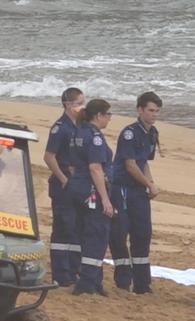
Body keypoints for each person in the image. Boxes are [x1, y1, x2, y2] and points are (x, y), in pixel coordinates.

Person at [109, 91, 161, 294]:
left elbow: (144, 162)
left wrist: (150, 183)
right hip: (122, 188)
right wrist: (148, 183)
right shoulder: (130, 133)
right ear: (140, 110)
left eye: (156, 111)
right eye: (150, 110)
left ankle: (142, 283)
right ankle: (123, 280)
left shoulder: (152, 133)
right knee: (120, 233)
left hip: (139, 190)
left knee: (143, 234)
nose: (154, 115)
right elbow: (130, 165)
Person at [66, 99, 114, 296]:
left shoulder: (78, 133)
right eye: (108, 115)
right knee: (96, 236)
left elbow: (71, 164)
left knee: (81, 234)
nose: (110, 119)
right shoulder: (94, 137)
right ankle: (87, 283)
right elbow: (95, 168)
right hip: (91, 191)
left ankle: (92, 280)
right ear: (99, 115)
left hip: (77, 188)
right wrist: (105, 199)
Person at [43, 87, 85, 286]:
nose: (81, 107)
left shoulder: (80, 125)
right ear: (68, 104)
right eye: (78, 103)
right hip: (63, 186)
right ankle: (61, 274)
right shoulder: (60, 127)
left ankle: (73, 270)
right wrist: (63, 178)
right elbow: (49, 157)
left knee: (76, 229)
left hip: (78, 185)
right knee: (63, 228)